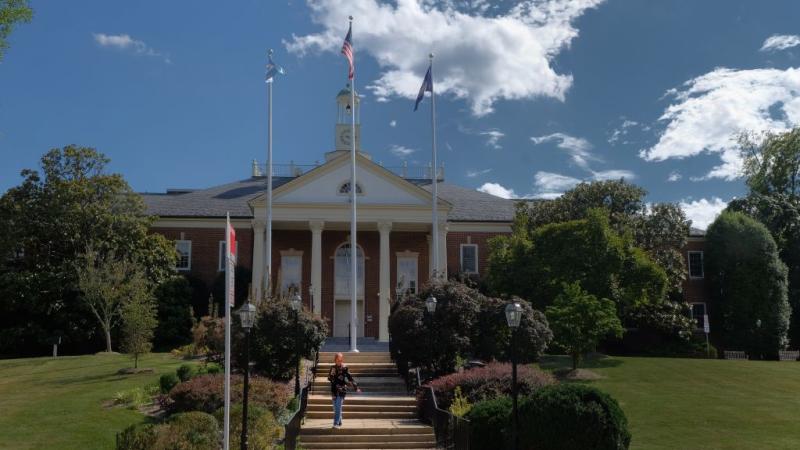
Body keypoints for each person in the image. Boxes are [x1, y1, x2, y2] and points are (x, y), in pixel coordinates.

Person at [328, 352, 361, 428]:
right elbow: (330, 378)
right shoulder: (333, 368)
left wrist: (356, 388)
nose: (339, 361)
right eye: (337, 360)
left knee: (338, 407)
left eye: (340, 360)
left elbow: (350, 378)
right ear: (335, 360)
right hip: (334, 390)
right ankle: (339, 421)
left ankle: (336, 424)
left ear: (342, 360)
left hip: (342, 390)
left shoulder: (345, 368)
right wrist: (334, 381)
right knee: (335, 408)